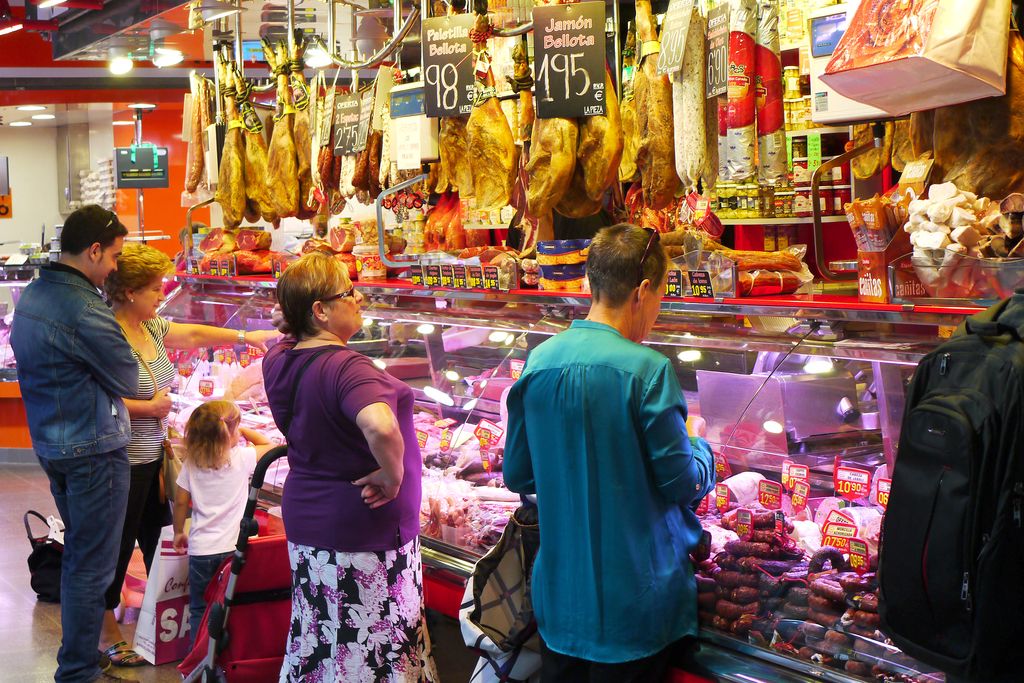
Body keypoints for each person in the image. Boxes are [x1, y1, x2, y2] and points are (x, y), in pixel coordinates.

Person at [503, 224, 716, 683]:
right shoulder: (649, 370)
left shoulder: (538, 361)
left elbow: (519, 475)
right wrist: (698, 443)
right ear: (643, 291)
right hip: (636, 609)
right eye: (661, 296)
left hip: (559, 604)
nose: (658, 310)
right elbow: (682, 484)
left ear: (589, 283)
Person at [98, 242, 279, 666]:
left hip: (154, 457)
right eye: (155, 288)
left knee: (156, 540)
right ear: (129, 292)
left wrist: (244, 336)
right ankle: (106, 631)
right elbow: (93, 398)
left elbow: (195, 333)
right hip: (119, 460)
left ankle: (167, 626)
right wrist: (148, 408)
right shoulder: (107, 335)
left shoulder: (152, 327)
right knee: (118, 547)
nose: (162, 294)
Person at [262, 252, 438, 682]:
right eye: (347, 292)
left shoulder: (280, 357)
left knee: (324, 638)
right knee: (373, 644)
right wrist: (392, 477)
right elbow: (379, 425)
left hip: (311, 521)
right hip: (364, 530)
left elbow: (281, 331)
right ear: (320, 311)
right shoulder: (347, 367)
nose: (358, 297)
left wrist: (293, 319)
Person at [10, 205, 139, 683]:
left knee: (80, 560)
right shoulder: (85, 307)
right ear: (93, 250)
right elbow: (131, 377)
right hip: (94, 450)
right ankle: (78, 669)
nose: (114, 268)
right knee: (92, 566)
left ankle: (78, 658)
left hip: (53, 444)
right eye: (113, 257)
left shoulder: (34, 296)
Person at [172, 400, 274, 643]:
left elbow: (180, 502)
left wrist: (178, 532)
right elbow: (269, 445)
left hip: (201, 551)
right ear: (229, 433)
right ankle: (223, 660)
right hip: (234, 549)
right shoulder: (242, 457)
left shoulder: (191, 463)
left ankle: (197, 663)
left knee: (199, 608)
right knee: (231, 606)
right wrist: (242, 431)